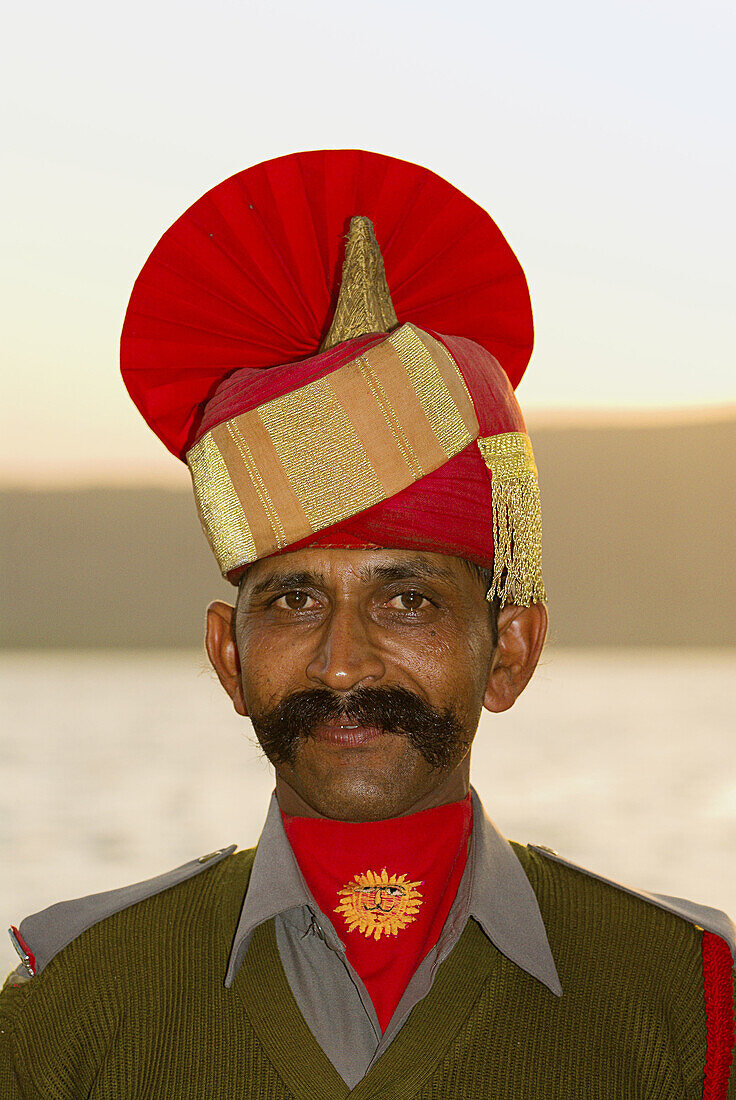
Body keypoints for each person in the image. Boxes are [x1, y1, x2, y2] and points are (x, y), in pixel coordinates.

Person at [1, 150, 733, 1098]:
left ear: (509, 651)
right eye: (295, 601)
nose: (342, 663)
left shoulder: (689, 1001)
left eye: (408, 601)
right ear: (228, 655)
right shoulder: (73, 1004)